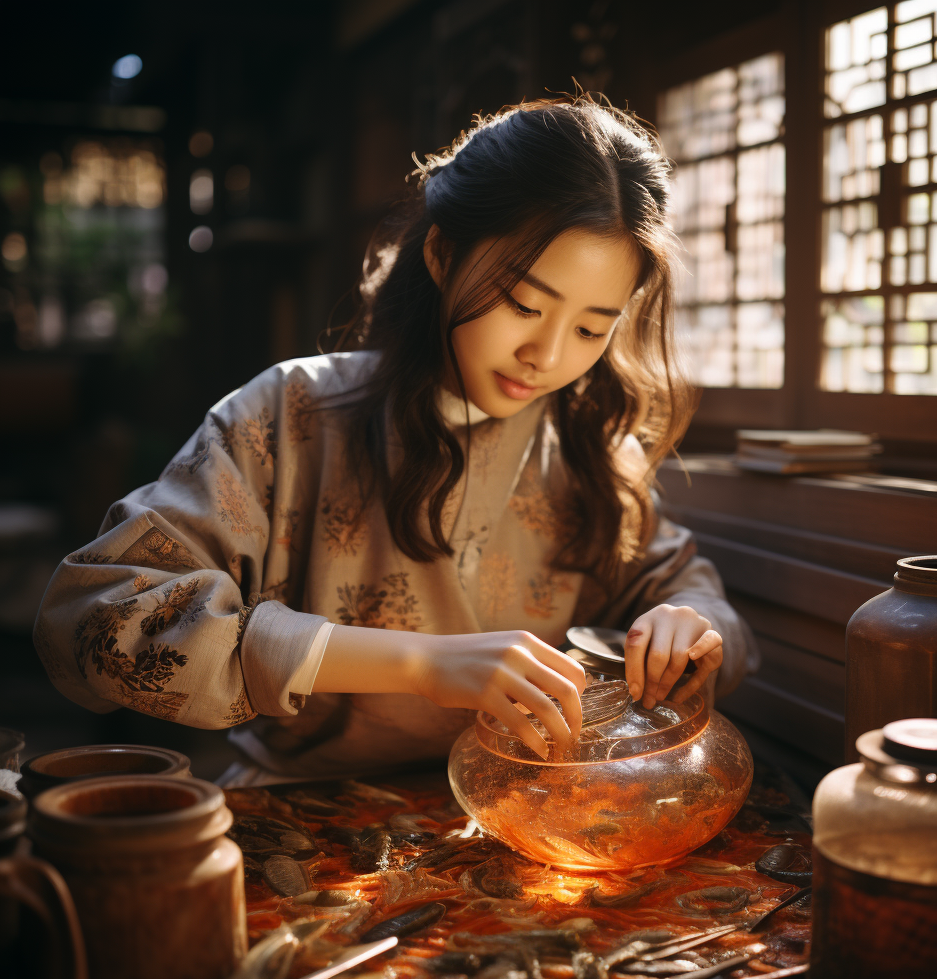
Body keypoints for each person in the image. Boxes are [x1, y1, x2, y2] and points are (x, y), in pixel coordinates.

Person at [33, 97, 758, 784]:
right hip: (307, 803)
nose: (547, 354)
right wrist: (419, 664)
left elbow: (691, 595)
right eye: (523, 304)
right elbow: (93, 619)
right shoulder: (291, 413)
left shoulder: (587, 445)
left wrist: (687, 628)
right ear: (442, 256)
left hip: (528, 812)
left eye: (592, 328)